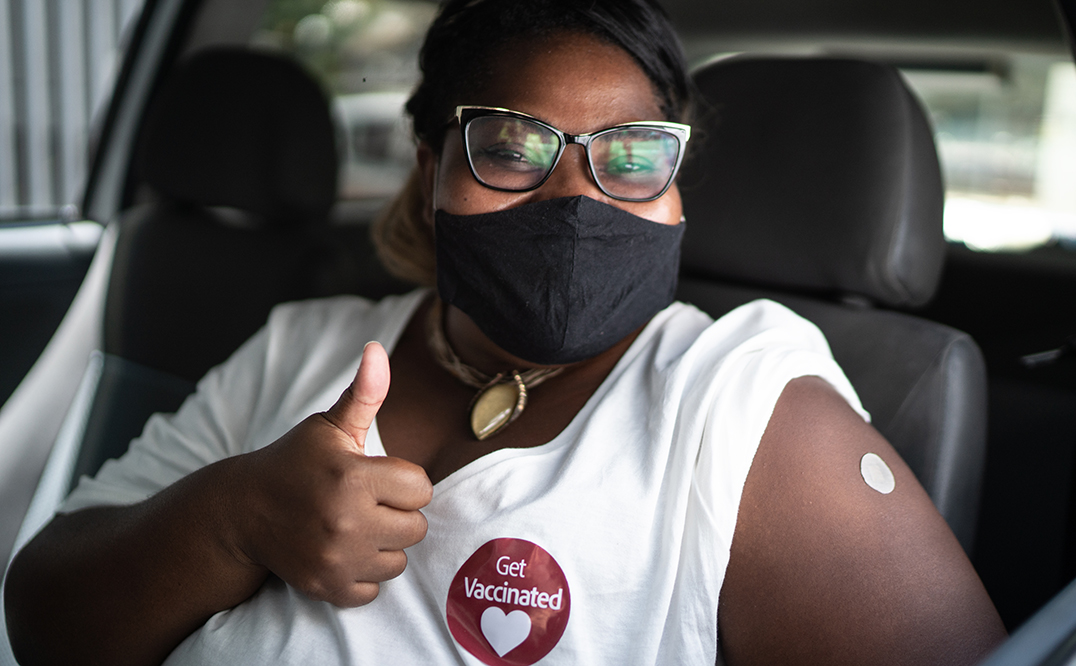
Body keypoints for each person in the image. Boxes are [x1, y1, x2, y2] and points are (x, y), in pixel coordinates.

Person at [4, 0, 1007, 664]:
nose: (575, 197)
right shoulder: (301, 346)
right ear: (429, 163)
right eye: (514, 147)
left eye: (629, 155)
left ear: (673, 184)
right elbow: (46, 617)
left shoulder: (737, 401)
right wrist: (230, 520)